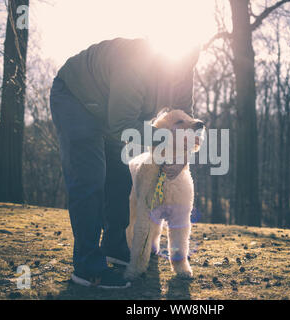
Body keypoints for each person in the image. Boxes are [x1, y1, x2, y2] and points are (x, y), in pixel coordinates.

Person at [49, 37, 199, 288]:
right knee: (91, 177)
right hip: (77, 98)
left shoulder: (185, 71)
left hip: (117, 113)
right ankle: (87, 267)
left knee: (119, 177)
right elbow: (121, 126)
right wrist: (166, 140)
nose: (183, 74)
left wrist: (181, 158)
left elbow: (187, 123)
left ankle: (114, 246)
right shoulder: (135, 64)